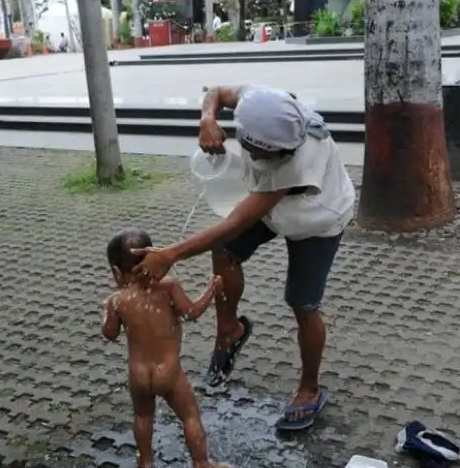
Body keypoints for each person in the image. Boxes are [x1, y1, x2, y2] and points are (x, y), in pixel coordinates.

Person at [132, 86, 356, 431]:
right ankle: (230, 329)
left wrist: (171, 254)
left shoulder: (293, 162)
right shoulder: (262, 103)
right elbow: (217, 92)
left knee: (302, 302)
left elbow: (237, 221)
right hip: (271, 208)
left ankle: (310, 388)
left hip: (317, 219)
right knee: (225, 252)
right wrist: (207, 118)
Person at [103, 227, 230, 468]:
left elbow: (110, 334)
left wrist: (108, 312)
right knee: (190, 415)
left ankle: (146, 461)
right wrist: (212, 290)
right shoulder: (167, 286)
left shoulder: (117, 300)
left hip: (138, 373)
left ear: (117, 272)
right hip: (168, 371)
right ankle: (202, 465)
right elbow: (191, 312)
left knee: (142, 415)